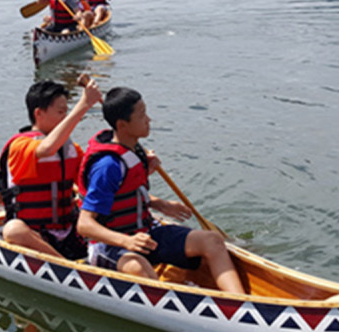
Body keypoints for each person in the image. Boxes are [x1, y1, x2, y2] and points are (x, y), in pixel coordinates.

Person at [76, 87, 245, 294]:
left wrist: (159, 204)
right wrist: (127, 241)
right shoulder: (107, 167)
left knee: (212, 241)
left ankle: (239, 302)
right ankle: (167, 302)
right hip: (110, 244)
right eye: (141, 116)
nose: (148, 120)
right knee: (138, 268)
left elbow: (127, 193)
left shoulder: (134, 150)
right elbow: (84, 225)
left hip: (145, 233)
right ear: (122, 125)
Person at [0, 77, 102, 258]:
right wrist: (84, 105)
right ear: (39, 113)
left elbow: (91, 181)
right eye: (61, 112)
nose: (65, 117)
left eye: (66, 112)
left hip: (70, 232)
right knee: (13, 230)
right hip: (35, 234)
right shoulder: (20, 146)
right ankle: (63, 265)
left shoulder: (70, 149)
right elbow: (47, 149)